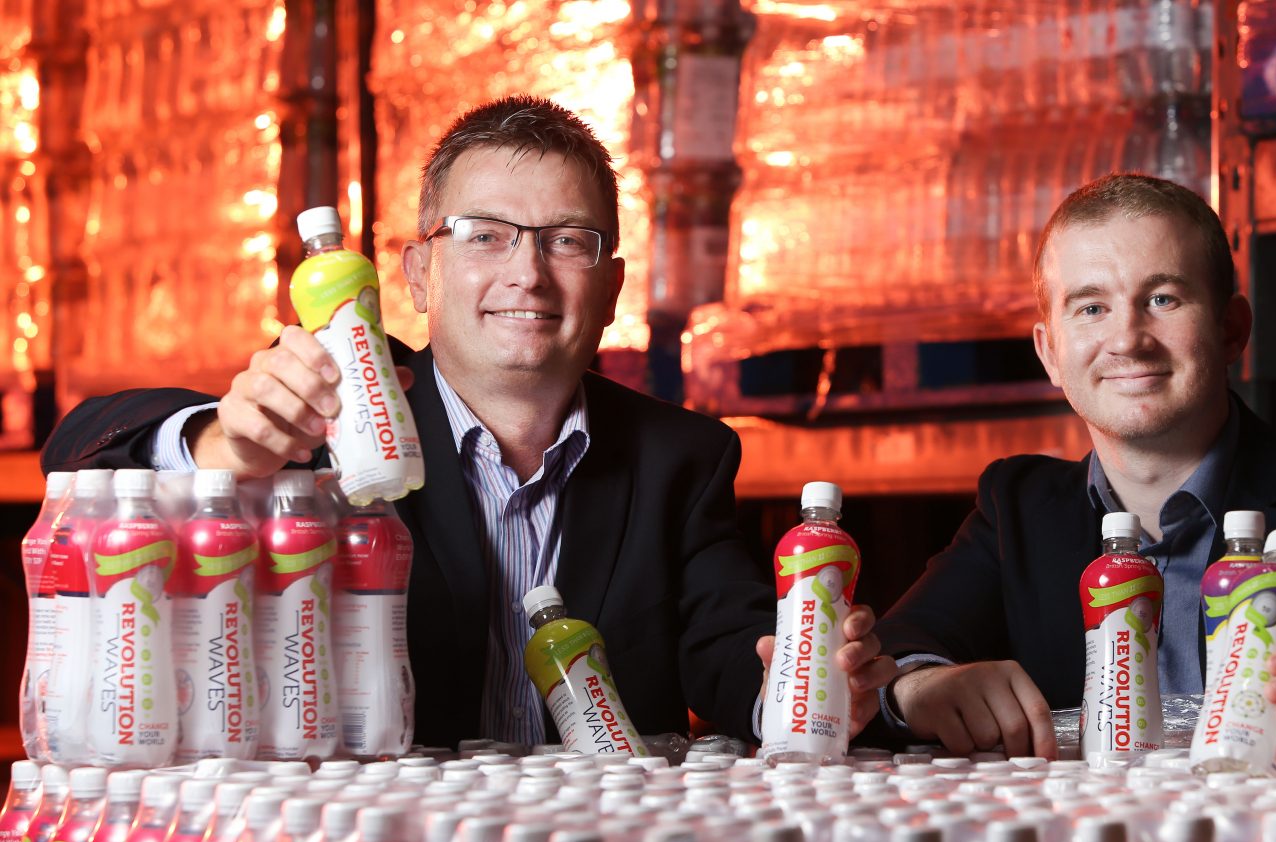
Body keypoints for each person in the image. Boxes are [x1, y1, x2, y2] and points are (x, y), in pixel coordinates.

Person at [41, 95, 895, 750]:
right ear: (417, 275)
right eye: (484, 236)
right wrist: (219, 444)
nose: (527, 273)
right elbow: (81, 439)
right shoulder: (335, 408)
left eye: (568, 241)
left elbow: (726, 646)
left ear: (611, 287)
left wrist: (804, 681)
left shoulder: (685, 455)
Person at [870, 173, 1276, 757]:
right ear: (1050, 353)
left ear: (1231, 329)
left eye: (1162, 299)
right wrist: (923, 687)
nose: (1128, 340)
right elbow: (898, 647)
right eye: (1091, 308)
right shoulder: (1017, 508)